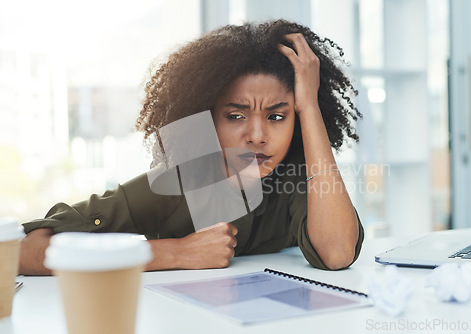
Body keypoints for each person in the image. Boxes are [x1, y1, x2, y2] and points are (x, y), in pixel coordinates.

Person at [19, 19, 364, 275]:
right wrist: (174, 253)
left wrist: (310, 107)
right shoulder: (177, 185)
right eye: (235, 116)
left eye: (277, 117)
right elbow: (25, 251)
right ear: (207, 117)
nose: (257, 135)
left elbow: (336, 252)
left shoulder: (300, 177)